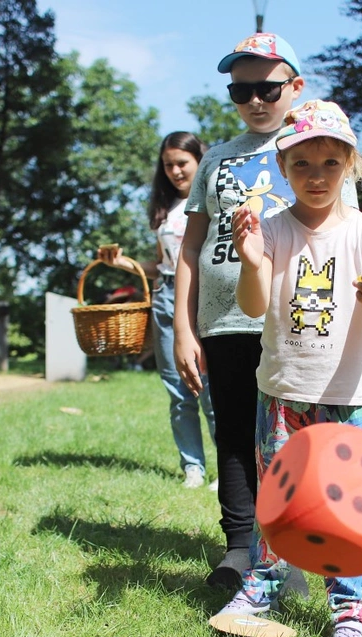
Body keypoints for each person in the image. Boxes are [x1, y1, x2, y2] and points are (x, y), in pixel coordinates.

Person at [223, 99, 362, 637]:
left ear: (349, 163)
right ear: (283, 168)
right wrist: (252, 261)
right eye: (302, 164)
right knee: (281, 502)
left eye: (329, 163)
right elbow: (253, 307)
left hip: (347, 398)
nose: (316, 175)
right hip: (282, 390)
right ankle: (265, 587)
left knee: (349, 509)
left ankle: (352, 614)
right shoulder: (272, 231)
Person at [173, 33, 357, 588]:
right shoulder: (216, 159)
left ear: (294, 87)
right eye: (241, 89)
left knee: (291, 438)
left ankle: (294, 548)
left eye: (269, 88)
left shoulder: (318, 151)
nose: (255, 99)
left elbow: (343, 238)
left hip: (293, 323)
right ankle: (239, 548)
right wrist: (185, 326)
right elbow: (191, 245)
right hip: (224, 320)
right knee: (232, 433)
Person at [98, 132, 218, 489]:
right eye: (168, 165)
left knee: (210, 387)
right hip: (166, 297)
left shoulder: (214, 202)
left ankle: (228, 468)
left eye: (182, 163)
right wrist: (124, 264)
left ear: (200, 161)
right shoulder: (164, 212)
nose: (175, 171)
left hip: (206, 296)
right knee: (178, 388)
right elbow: (161, 265)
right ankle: (192, 467)